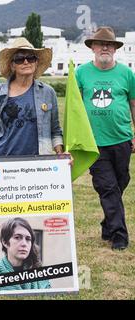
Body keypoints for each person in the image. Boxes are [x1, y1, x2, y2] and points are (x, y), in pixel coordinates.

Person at [76, 26, 135, 251]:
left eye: (109, 44)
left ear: (115, 49)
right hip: (94, 142)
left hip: (121, 139)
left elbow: (133, 104)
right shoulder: (81, 73)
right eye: (100, 44)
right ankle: (119, 235)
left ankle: (108, 223)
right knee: (107, 187)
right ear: (92, 47)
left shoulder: (127, 74)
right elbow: (75, 107)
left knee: (122, 182)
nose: (105, 47)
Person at [0, 37, 64, 164]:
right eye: (20, 59)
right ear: (12, 65)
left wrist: (61, 154)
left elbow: (55, 130)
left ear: (36, 62)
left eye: (31, 58)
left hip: (39, 163)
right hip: (3, 162)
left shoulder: (48, 93)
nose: (26, 62)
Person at [0, 218, 51, 290]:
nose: (24, 244)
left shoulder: (41, 274)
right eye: (17, 237)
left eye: (28, 239)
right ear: (5, 242)